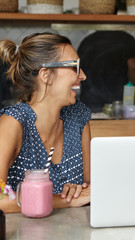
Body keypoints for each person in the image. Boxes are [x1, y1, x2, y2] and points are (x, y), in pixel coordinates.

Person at [0, 32, 91, 213]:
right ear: (46, 75)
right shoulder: (13, 123)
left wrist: (79, 192)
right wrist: (65, 201)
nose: (83, 76)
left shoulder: (79, 118)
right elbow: (0, 198)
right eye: (75, 67)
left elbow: (90, 190)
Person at [78, 31, 135, 112]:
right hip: (115, 102)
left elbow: (78, 69)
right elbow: (134, 68)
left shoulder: (87, 40)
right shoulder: (125, 39)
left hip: (88, 102)